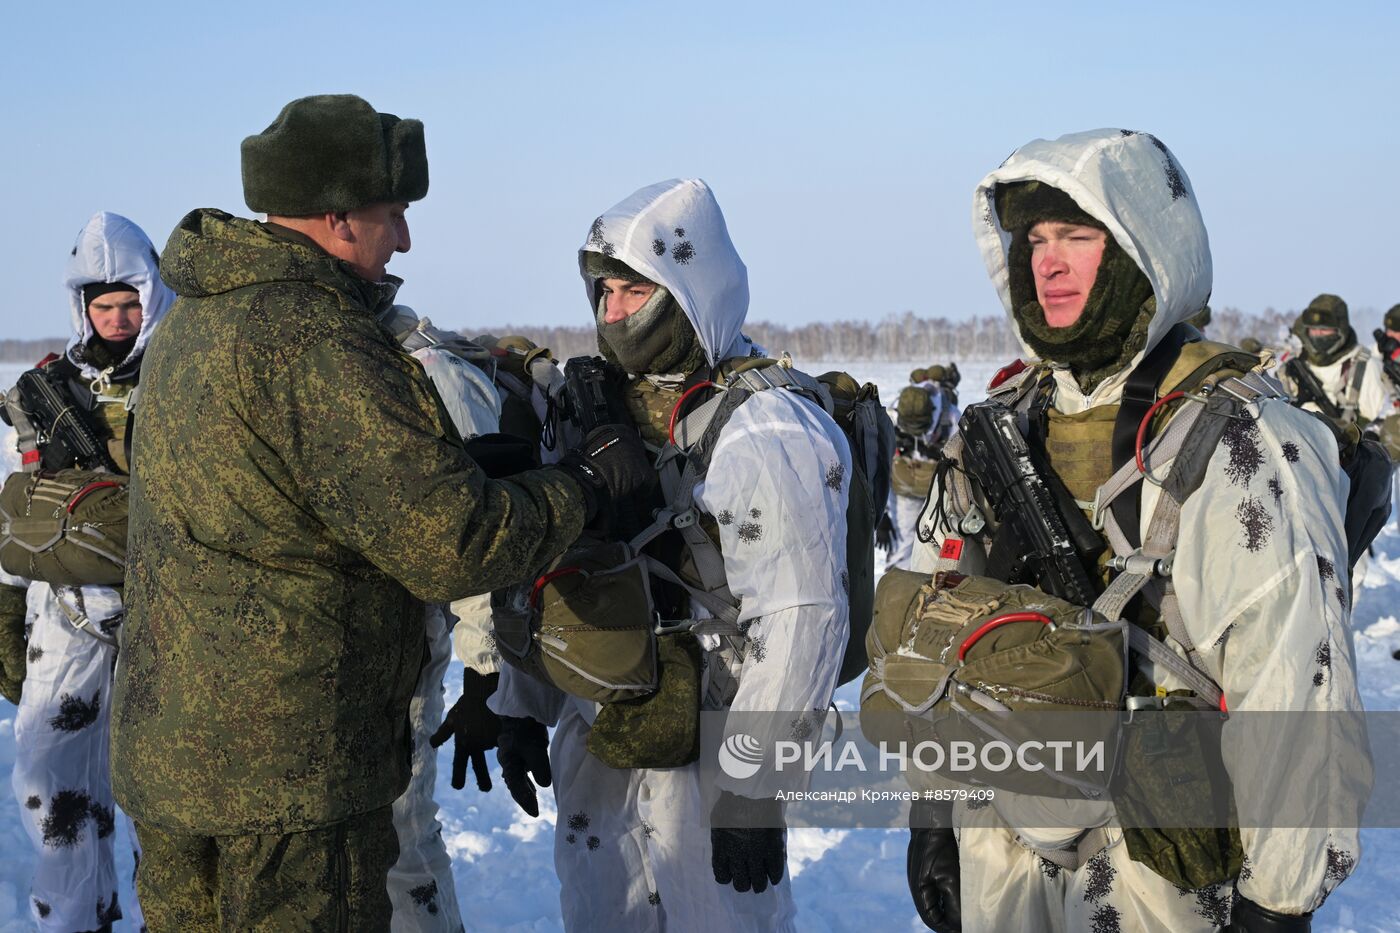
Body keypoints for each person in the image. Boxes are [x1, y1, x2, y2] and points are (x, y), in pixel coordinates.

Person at [109, 94, 652, 930]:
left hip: (173, 763)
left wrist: (444, 468)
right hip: (290, 783)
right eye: (393, 214)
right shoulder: (316, 338)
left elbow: (277, 501)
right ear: (337, 216)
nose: (404, 239)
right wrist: (581, 484)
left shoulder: (195, 319)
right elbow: (453, 545)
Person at [907, 129, 1365, 931]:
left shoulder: (1242, 436)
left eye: (1076, 236)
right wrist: (932, 813)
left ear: (1141, 248)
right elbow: (935, 634)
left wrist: (1278, 902)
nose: (1045, 261)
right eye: (1034, 239)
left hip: (1161, 876)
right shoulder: (1001, 430)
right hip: (1006, 850)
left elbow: (1296, 682)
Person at [488, 178, 853, 932]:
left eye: (633, 290)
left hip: (715, 740)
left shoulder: (764, 426)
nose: (612, 312)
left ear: (689, 286)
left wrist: (754, 786)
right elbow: (553, 578)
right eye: (605, 292)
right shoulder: (590, 418)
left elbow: (802, 617)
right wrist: (520, 705)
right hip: (601, 733)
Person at [0, 211, 170, 932]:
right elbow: (27, 508)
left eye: (131, 301)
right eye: (104, 305)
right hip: (64, 606)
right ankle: (74, 918)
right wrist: (6, 611)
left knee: (163, 788)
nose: (119, 317)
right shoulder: (47, 389)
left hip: (167, 605)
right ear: (82, 305)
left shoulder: (182, 377)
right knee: (50, 781)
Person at [1280, 294, 1393, 430]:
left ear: (1340, 330)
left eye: (1324, 329)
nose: (1318, 334)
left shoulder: (1365, 367)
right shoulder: (1291, 368)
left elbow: (1383, 426)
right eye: (1314, 329)